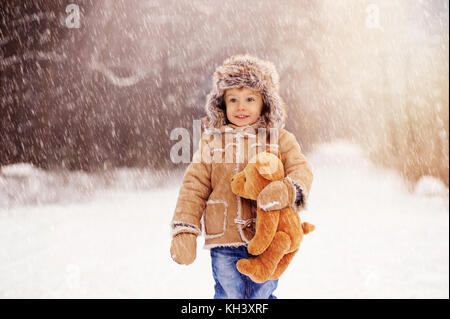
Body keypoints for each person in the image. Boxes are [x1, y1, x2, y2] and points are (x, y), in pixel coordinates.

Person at [169, 54, 313, 299]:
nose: (240, 106)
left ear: (264, 103)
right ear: (221, 104)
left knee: (261, 294)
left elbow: (302, 170)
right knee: (228, 293)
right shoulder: (212, 142)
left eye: (249, 99)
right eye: (232, 99)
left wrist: (288, 190)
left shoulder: (280, 139)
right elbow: (194, 186)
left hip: (269, 239)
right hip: (225, 239)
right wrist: (185, 229)